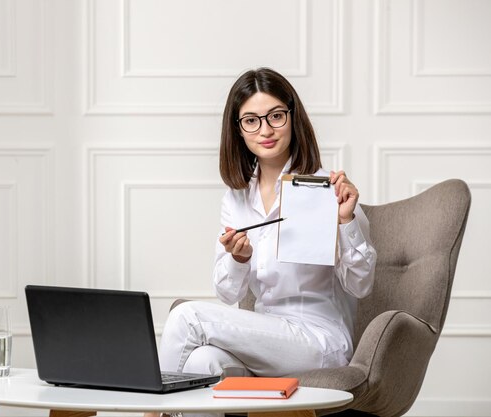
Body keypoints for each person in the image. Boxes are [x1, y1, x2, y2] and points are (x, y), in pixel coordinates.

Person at [148, 68, 376, 417]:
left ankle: (150, 413)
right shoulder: (238, 197)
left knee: (186, 317)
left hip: (317, 341)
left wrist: (345, 219)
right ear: (237, 130)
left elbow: (361, 286)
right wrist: (239, 260)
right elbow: (228, 295)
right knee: (202, 360)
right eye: (251, 120)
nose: (265, 130)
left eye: (275, 116)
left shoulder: (326, 188)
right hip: (264, 338)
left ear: (292, 117)